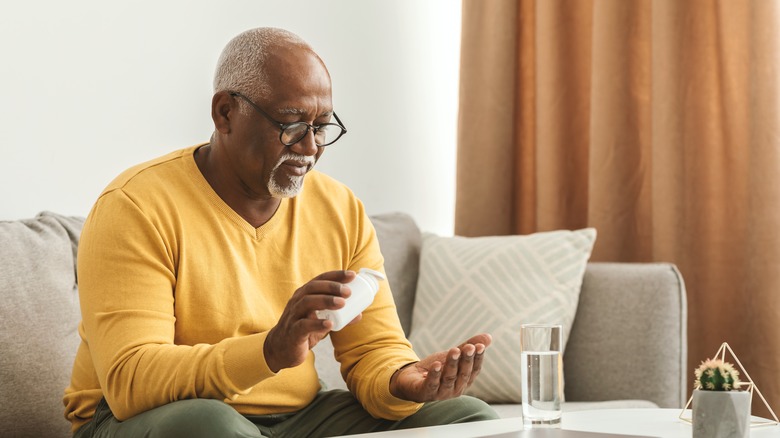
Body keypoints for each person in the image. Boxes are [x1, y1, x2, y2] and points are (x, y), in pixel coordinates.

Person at [63, 27, 498, 437]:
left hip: (296, 418)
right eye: (290, 124)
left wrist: (405, 381)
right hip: (141, 419)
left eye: (322, 126)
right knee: (209, 424)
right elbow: (131, 380)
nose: (310, 147)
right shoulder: (136, 205)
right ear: (225, 112)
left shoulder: (339, 207)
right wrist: (269, 351)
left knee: (465, 419)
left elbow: (373, 349)